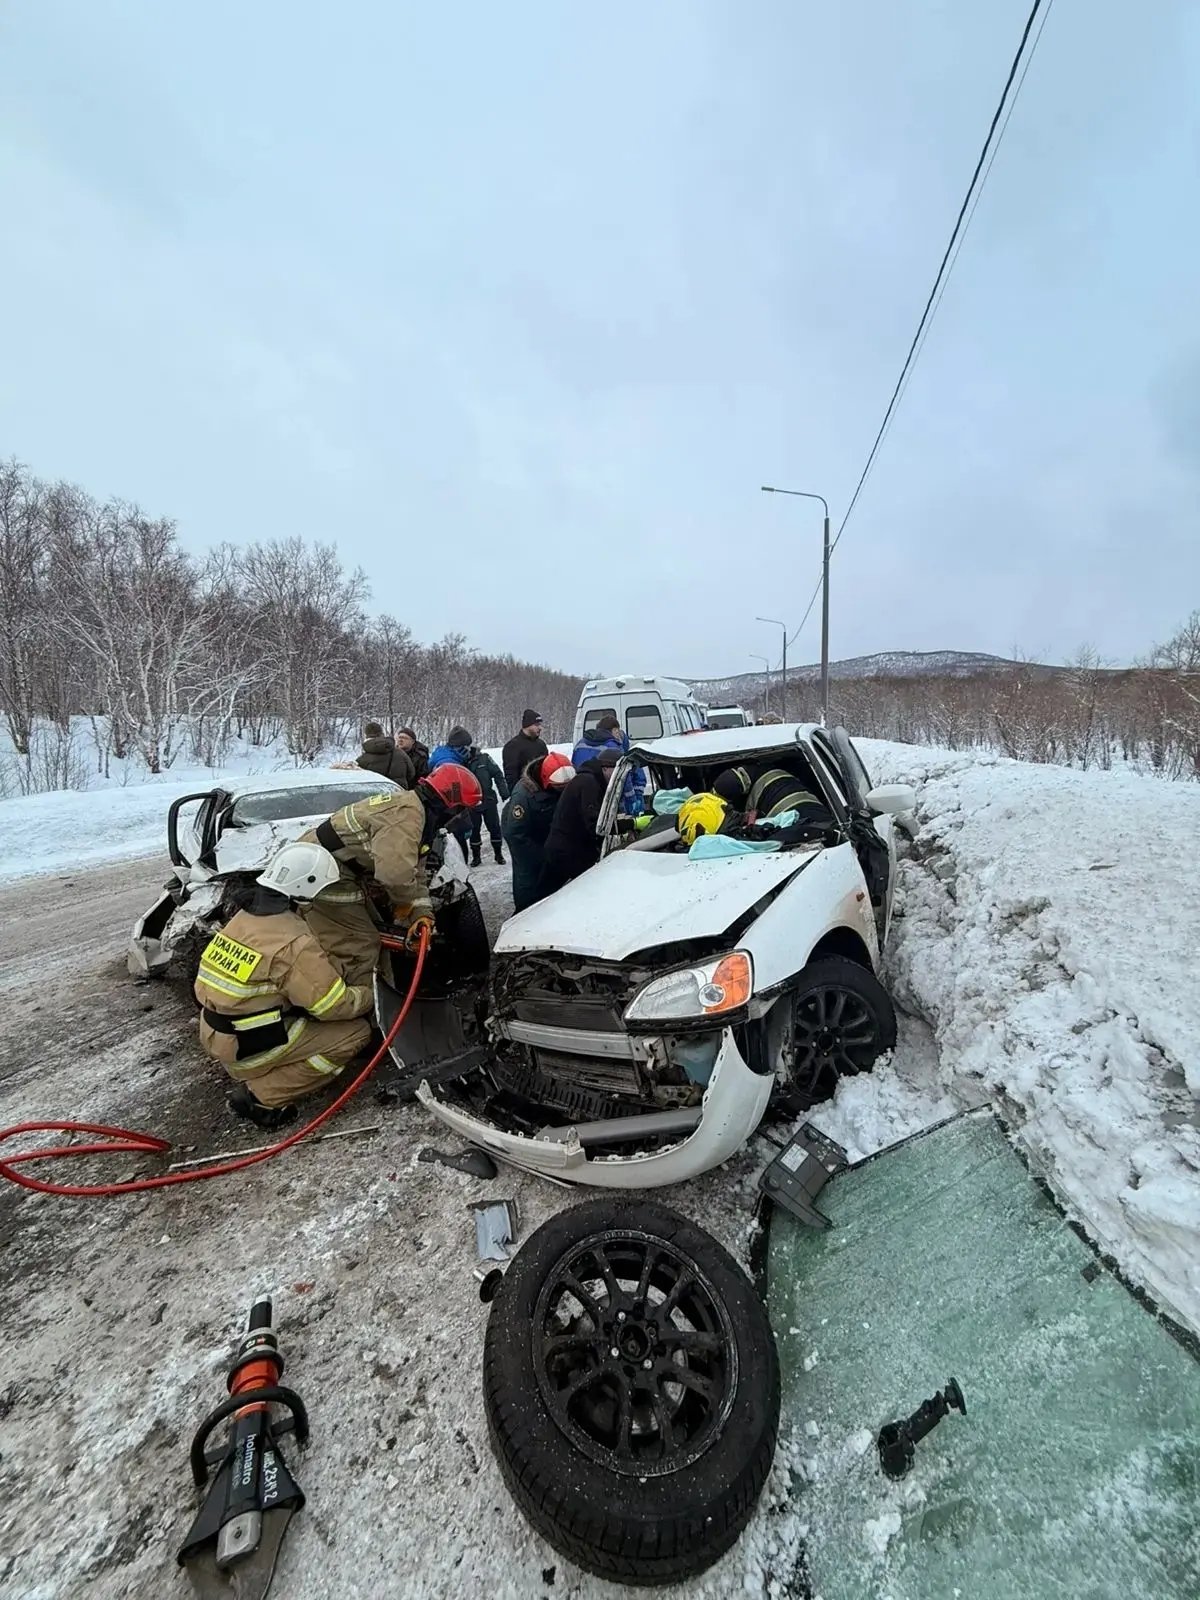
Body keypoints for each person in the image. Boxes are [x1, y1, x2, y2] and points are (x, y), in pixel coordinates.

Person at [195, 842, 375, 1131]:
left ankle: (264, 1070)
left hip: (217, 1033)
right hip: (248, 1049)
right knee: (355, 1034)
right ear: (307, 890)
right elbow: (333, 1005)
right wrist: (370, 995)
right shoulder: (292, 942)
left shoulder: (244, 918)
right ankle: (263, 1095)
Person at [300, 763, 482, 985]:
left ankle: (381, 992)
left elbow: (417, 872)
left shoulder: (419, 815)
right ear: (450, 804)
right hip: (320, 874)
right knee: (361, 944)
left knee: (375, 934)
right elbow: (395, 876)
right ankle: (356, 1005)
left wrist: (422, 913)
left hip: (338, 870)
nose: (462, 817)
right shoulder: (407, 817)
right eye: (462, 810)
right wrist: (405, 907)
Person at [537, 749, 621, 899]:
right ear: (606, 768)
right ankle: (519, 920)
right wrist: (626, 825)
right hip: (567, 851)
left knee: (544, 894)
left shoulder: (591, 780)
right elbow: (596, 824)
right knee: (543, 898)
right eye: (616, 771)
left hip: (569, 849)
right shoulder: (589, 784)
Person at [502, 751, 574, 912]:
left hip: (546, 836)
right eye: (559, 788)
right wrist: (542, 857)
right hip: (525, 840)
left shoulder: (563, 786)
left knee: (553, 884)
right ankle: (522, 918)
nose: (563, 791)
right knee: (529, 885)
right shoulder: (523, 796)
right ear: (546, 779)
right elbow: (515, 834)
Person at [712, 763, 832, 829]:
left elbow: (728, 781)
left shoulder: (749, 776)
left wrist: (714, 799)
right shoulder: (776, 772)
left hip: (795, 824)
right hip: (825, 821)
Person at [571, 714, 645, 817]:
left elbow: (573, 767)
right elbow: (624, 778)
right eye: (618, 732)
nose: (619, 736)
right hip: (607, 799)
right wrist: (632, 805)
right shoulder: (613, 748)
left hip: (582, 795)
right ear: (614, 730)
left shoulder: (580, 744)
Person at [464, 742, 510, 867]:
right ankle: (476, 857)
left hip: (488, 799)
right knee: (474, 830)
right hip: (471, 802)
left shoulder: (484, 758)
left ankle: (498, 854)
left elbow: (498, 774)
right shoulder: (462, 762)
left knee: (494, 827)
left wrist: (504, 792)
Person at [340, 721, 414, 787]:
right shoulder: (400, 753)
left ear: (366, 736)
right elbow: (411, 773)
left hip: (375, 799)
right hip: (399, 795)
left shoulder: (362, 759)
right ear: (382, 734)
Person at [502, 711, 548, 790]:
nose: (540, 728)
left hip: (543, 791)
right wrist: (516, 796)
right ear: (527, 726)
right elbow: (511, 776)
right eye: (536, 725)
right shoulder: (512, 746)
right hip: (524, 794)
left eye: (540, 725)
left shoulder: (541, 744)